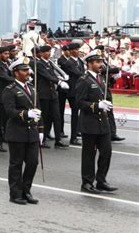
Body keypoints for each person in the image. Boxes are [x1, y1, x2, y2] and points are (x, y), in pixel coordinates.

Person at [76, 49, 118, 194]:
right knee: (89, 154)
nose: (100, 64)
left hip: (103, 122)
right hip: (90, 122)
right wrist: (96, 105)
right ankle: (87, 182)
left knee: (106, 152)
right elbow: (79, 103)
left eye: (101, 61)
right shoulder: (83, 80)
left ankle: (101, 180)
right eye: (97, 62)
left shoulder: (101, 78)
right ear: (89, 63)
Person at [2, 57, 43, 205]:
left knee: (33, 162)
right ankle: (15, 194)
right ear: (15, 72)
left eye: (27, 70)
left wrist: (41, 129)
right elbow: (9, 111)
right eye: (24, 70)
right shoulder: (10, 90)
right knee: (16, 164)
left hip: (31, 131)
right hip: (17, 132)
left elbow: (38, 109)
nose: (27, 72)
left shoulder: (32, 88)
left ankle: (26, 190)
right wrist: (26, 114)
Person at [35, 45, 69, 148]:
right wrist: (59, 82)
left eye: (49, 52)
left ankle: (58, 140)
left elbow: (52, 75)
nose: (49, 54)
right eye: (46, 52)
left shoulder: (49, 63)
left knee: (56, 116)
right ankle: (42, 139)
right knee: (45, 118)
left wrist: (60, 77)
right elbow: (46, 75)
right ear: (41, 53)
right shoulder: (39, 64)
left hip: (52, 94)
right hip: (44, 94)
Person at [0, 46, 14, 152]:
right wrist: (17, 79)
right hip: (0, 97)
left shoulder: (8, 64)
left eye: (8, 54)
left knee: (7, 120)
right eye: (5, 54)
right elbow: (5, 77)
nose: (7, 55)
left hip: (7, 96)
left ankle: (6, 137)